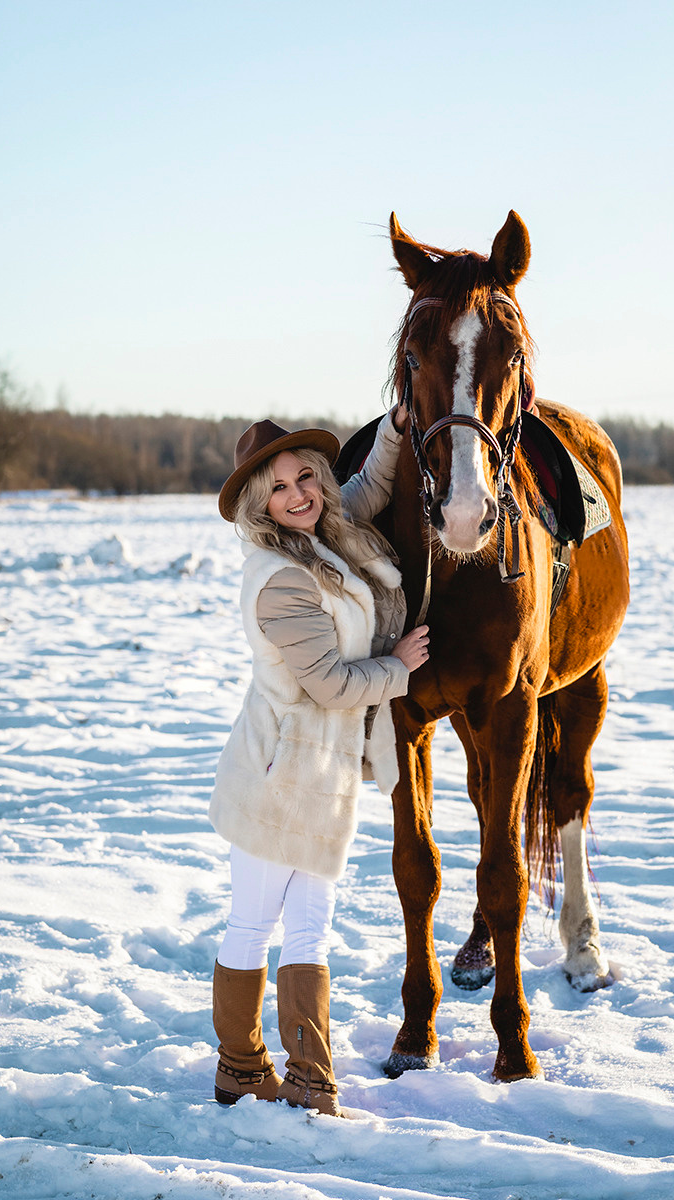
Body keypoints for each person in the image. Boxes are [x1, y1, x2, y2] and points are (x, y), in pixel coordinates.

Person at [209, 404, 429, 1117]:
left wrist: (398, 427)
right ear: (259, 504)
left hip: (326, 772)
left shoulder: (327, 537)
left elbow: (365, 487)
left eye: (306, 476)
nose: (298, 493)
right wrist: (398, 667)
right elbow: (330, 683)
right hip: (277, 771)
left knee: (311, 928)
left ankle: (310, 1079)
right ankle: (241, 1068)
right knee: (253, 923)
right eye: (279, 487)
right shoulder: (281, 577)